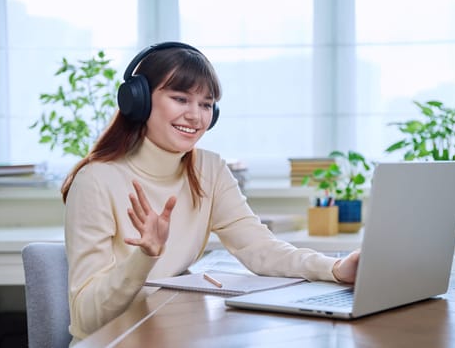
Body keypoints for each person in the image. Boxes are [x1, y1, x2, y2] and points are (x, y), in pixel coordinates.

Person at [62, 41, 361, 344]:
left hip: (171, 333)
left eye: (206, 104)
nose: (196, 116)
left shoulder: (209, 169)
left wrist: (335, 269)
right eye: (180, 98)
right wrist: (144, 255)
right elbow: (88, 318)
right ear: (137, 100)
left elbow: (261, 249)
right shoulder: (96, 181)